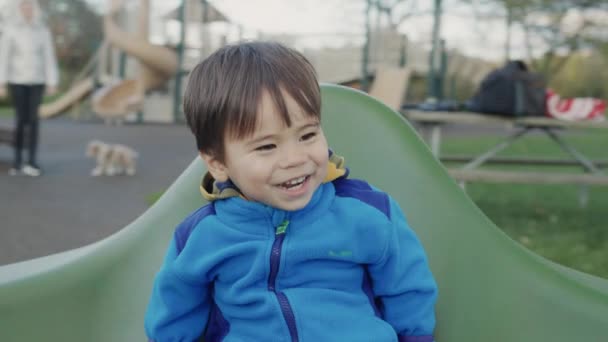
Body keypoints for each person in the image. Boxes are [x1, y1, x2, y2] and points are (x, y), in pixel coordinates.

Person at [145, 42, 438, 341]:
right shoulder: (202, 235)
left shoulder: (367, 213)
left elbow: (407, 288)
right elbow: (174, 309)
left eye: (308, 135)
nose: (295, 159)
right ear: (218, 163)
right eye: (267, 146)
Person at [0, 0, 59, 176]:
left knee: (34, 121)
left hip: (37, 81)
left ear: (35, 9)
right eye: (24, 7)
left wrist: (52, 81)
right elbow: (4, 58)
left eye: (30, 7)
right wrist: (1, 83)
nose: (27, 10)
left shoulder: (42, 31)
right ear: (19, 9)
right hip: (17, 81)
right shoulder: (11, 31)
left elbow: (49, 57)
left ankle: (31, 161)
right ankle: (17, 162)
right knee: (21, 120)